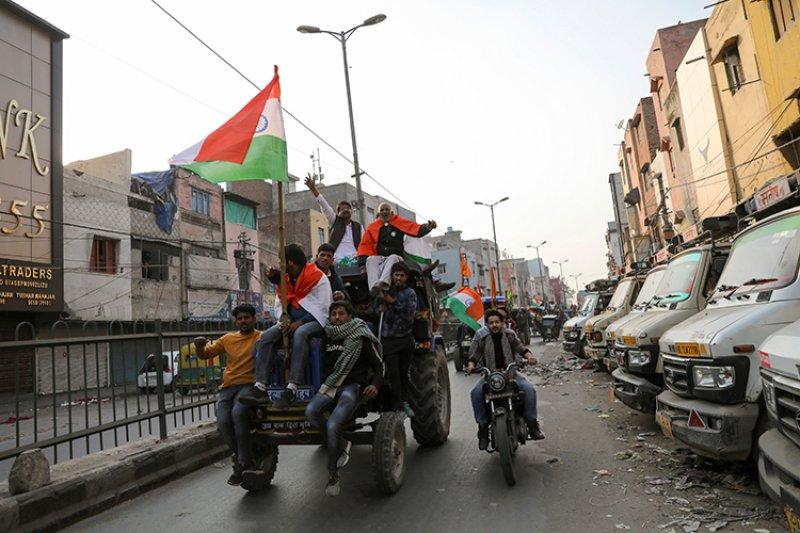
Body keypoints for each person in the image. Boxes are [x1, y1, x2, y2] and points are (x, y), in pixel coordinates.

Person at [306, 301, 384, 497]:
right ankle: (340, 443)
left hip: (351, 387)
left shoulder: (360, 335)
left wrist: (374, 384)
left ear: (350, 316)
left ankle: (333, 472)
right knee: (310, 412)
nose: (337, 317)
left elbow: (379, 365)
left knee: (333, 424)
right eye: (334, 314)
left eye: (341, 314)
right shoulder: (327, 336)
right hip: (330, 386)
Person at [239, 244, 332, 407]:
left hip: (313, 322)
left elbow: (324, 308)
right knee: (266, 337)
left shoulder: (318, 277)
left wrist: (299, 323)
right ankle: (260, 386)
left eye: (282, 261)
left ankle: (292, 388)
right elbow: (279, 303)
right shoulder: (285, 280)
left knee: (301, 333)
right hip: (288, 322)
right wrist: (284, 318)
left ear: (290, 263)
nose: (280, 264)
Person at [193, 304, 260, 485]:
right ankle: (243, 459)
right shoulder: (228, 339)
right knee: (222, 423)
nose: (243, 321)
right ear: (235, 321)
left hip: (249, 385)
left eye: (247, 317)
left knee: (238, 413)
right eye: (240, 318)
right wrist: (199, 346)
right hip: (228, 387)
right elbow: (206, 354)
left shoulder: (261, 337)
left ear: (254, 319)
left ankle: (242, 463)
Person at [466, 309, 545, 449]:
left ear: (502, 323)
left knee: (529, 389)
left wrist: (530, 357)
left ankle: (532, 425)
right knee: (475, 393)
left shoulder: (509, 336)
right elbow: (475, 356)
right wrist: (471, 366)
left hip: (511, 375)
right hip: (490, 377)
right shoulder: (483, 339)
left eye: (497, 322)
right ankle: (483, 429)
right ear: (487, 325)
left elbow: (521, 348)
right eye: (491, 323)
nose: (494, 325)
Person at [356, 202, 436, 295]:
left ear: (391, 212)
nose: (384, 212)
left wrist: (428, 226)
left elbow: (415, 229)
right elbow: (365, 245)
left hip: (397, 258)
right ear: (378, 213)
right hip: (380, 257)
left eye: (387, 210)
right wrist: (362, 264)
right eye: (382, 210)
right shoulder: (372, 227)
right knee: (370, 259)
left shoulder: (399, 222)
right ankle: (376, 291)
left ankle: (382, 283)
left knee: (393, 257)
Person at [375, 261, 417, 417]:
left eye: (402, 275)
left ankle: (405, 403)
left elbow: (409, 314)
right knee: (393, 373)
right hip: (388, 340)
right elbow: (376, 308)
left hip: (405, 339)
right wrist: (380, 306)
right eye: (396, 275)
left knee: (403, 372)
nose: (399, 278)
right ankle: (397, 406)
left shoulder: (410, 293)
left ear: (406, 277)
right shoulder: (385, 290)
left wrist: (393, 303)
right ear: (391, 276)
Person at [305, 175, 361, 266]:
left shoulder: (358, 227)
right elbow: (324, 206)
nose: (345, 210)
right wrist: (313, 189)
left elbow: (364, 244)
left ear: (351, 211)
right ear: (337, 213)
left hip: (355, 259)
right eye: (342, 209)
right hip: (336, 260)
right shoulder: (334, 221)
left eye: (347, 208)